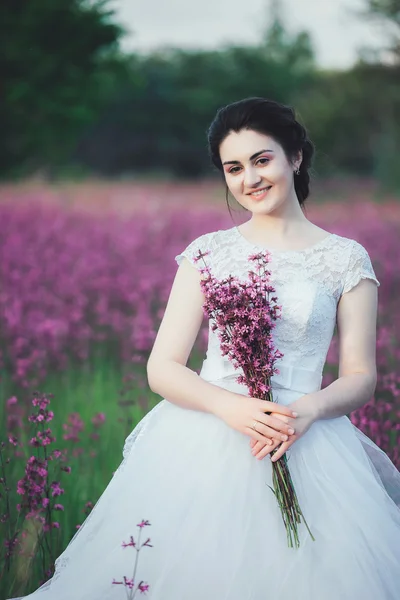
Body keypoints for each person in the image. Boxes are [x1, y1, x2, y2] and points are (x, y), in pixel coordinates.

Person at [11, 97, 400, 600]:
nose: (249, 179)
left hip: (307, 437)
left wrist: (308, 410)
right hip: (205, 436)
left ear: (296, 157)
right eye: (233, 168)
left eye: (262, 160)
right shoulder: (208, 253)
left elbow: (360, 376)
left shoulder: (345, 258)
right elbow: (163, 368)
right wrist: (229, 406)